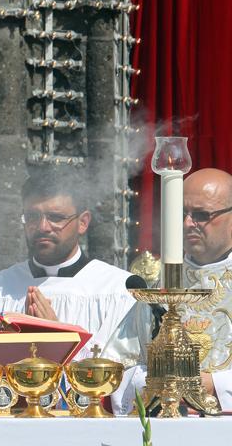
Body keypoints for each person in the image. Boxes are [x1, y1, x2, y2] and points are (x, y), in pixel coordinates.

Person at [0, 167, 136, 359]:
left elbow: (127, 376)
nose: (42, 227)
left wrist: (59, 341)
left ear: (83, 222)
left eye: (55, 218)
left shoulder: (119, 291)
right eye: (32, 217)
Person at [109, 168, 232, 414]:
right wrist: (161, 385)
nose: (188, 224)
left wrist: (214, 386)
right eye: (182, 213)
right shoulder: (158, 284)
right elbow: (117, 364)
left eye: (201, 214)